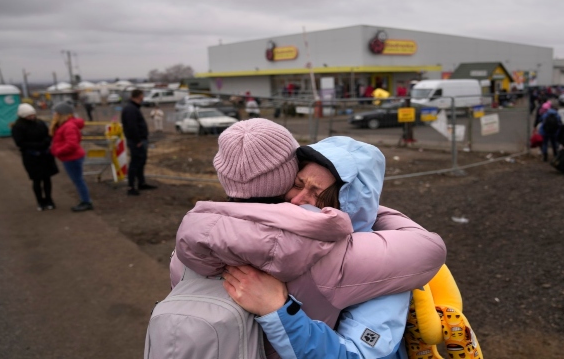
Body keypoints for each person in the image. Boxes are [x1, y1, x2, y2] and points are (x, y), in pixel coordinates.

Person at [172, 121, 446, 358]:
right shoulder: (377, 258)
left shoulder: (191, 246)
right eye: (298, 183)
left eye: (317, 194)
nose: (298, 201)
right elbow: (428, 248)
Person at [11, 103, 59, 210]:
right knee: (37, 180)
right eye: (29, 115)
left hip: (45, 155)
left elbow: (48, 135)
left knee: (47, 179)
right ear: (22, 116)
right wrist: (38, 145)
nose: (32, 117)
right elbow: (20, 142)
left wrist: (46, 142)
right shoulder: (18, 127)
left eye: (33, 114)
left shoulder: (40, 123)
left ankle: (49, 200)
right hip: (31, 157)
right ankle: (40, 201)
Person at [49, 102, 93, 212]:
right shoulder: (67, 125)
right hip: (70, 157)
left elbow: (72, 144)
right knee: (78, 180)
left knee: (78, 180)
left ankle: (86, 202)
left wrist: (58, 151)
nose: (54, 115)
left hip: (72, 158)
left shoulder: (68, 126)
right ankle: (85, 200)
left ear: (61, 114)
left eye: (56, 113)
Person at [121, 89, 156, 196]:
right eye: (142, 95)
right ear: (139, 96)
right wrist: (137, 140)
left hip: (140, 140)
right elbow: (132, 127)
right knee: (135, 163)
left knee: (141, 162)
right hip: (137, 141)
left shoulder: (134, 108)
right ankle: (131, 186)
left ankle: (141, 182)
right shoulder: (130, 109)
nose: (143, 97)